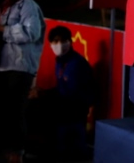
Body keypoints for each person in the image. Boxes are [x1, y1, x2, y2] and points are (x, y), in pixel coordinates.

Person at [0, 0, 46, 163]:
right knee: (1, 111)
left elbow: (32, 32)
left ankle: (16, 153)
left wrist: (1, 29)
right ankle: (2, 151)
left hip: (20, 67)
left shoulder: (28, 5)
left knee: (15, 112)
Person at [27, 25, 94, 160]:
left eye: (63, 40)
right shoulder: (60, 61)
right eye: (56, 41)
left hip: (74, 109)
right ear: (50, 44)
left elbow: (72, 94)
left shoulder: (76, 64)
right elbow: (61, 88)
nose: (60, 44)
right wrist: (42, 93)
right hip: (64, 104)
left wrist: (44, 95)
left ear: (70, 41)